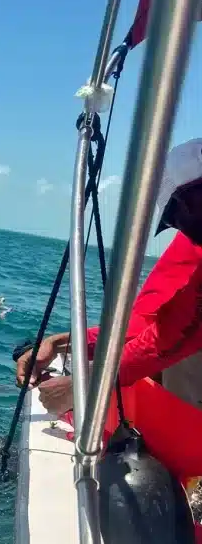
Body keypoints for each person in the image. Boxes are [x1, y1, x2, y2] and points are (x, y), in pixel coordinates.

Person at [15, 138, 202, 416]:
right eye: (177, 219)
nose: (185, 227)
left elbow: (179, 333)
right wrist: (60, 343)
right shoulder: (193, 245)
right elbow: (149, 323)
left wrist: (87, 384)